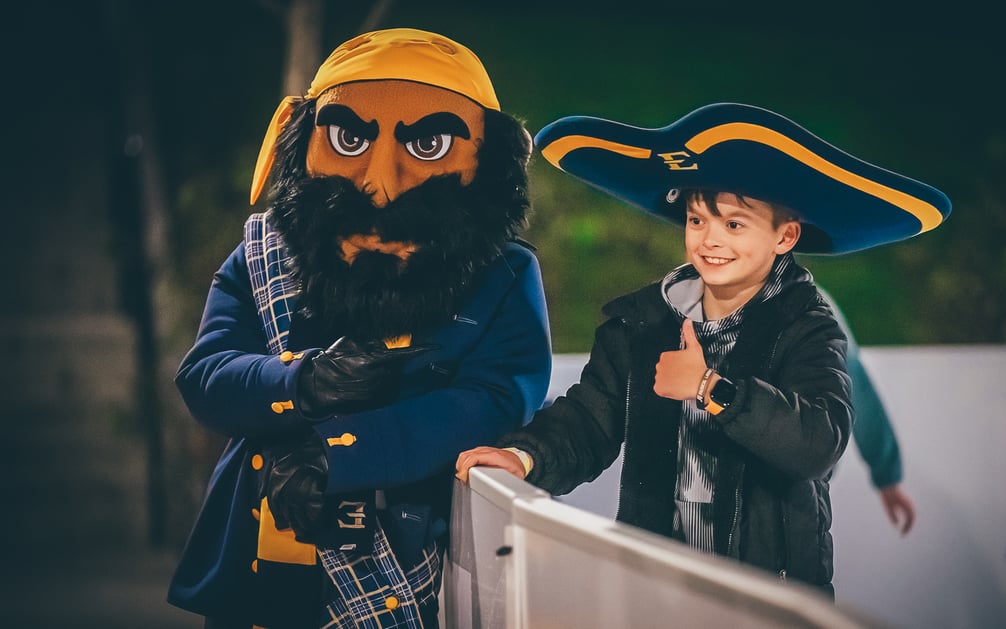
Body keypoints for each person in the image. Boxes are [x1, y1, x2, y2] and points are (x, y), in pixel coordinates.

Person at [457, 102, 950, 597]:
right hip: (657, 583)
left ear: (786, 235)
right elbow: (591, 418)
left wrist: (709, 388)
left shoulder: (809, 327)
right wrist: (525, 456)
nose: (710, 240)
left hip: (768, 593)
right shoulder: (643, 323)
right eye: (696, 221)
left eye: (734, 225)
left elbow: (818, 443)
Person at [167, 28, 552, 628]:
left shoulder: (500, 272)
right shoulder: (265, 253)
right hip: (261, 562)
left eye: (428, 144)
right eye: (348, 138)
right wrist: (301, 382)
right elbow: (206, 378)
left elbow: (498, 398)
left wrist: (340, 450)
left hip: (409, 565)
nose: (379, 184)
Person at [823, 289, 917, 535]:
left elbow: (853, 382)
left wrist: (886, 473)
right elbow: (854, 381)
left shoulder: (812, 301)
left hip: (797, 482)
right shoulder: (814, 298)